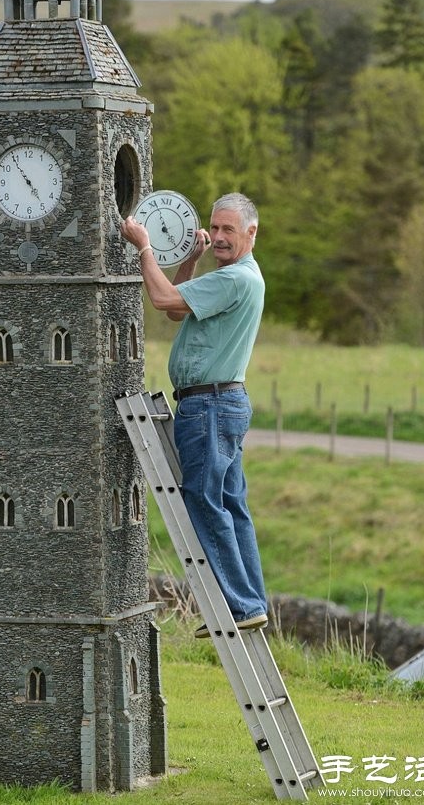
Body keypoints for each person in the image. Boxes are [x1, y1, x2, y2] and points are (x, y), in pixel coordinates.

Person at [121, 192, 268, 638]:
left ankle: (239, 605)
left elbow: (163, 299)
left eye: (228, 230)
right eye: (215, 227)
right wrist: (190, 261)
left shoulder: (234, 280)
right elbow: (176, 308)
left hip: (208, 406)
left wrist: (144, 246)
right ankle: (250, 602)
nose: (219, 236)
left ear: (251, 232)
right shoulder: (235, 277)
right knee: (231, 504)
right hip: (220, 403)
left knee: (204, 500)